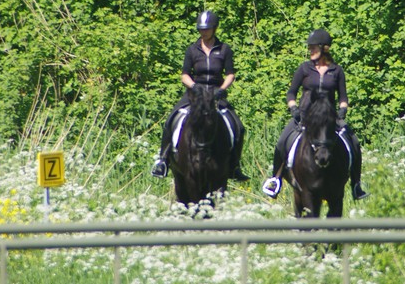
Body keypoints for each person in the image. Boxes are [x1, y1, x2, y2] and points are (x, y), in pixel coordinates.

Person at [261, 28, 367, 200]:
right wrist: (293, 108)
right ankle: (275, 180)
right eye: (309, 48)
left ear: (324, 48)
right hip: (305, 116)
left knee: (353, 141)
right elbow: (291, 93)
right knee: (282, 141)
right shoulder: (304, 69)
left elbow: (343, 96)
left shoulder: (337, 71)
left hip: (329, 118)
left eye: (313, 47)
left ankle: (356, 184)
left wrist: (342, 109)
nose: (310, 50)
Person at [151, 10, 248, 181]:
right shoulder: (192, 50)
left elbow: (230, 74)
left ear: (214, 29)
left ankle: (234, 166)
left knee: (238, 127)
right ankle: (163, 160)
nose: (203, 32)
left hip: (216, 93)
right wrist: (194, 87)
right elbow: (184, 75)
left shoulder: (224, 49)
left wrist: (222, 89)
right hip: (195, 93)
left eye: (207, 29)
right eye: (201, 29)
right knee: (171, 120)